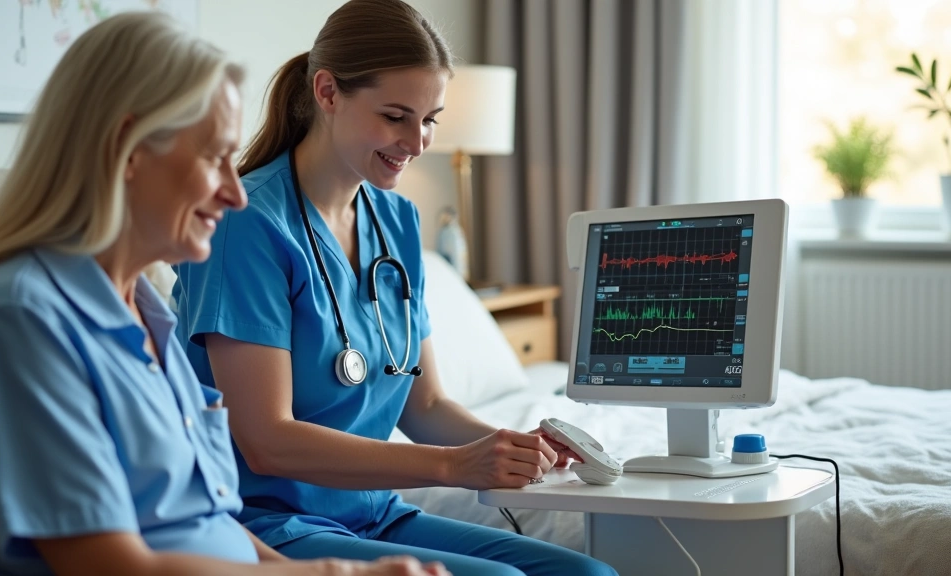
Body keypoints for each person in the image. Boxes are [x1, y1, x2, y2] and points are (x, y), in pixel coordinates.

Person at [0, 12, 447, 576]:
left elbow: (212, 519)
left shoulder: (145, 311)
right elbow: (107, 565)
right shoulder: (21, 320)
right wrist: (331, 573)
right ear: (129, 148)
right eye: (214, 157)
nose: (235, 193)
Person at [172, 2, 617, 575]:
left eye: (430, 118)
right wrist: (454, 467)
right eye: (395, 116)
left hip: (372, 513)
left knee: (588, 573)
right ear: (327, 92)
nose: (418, 141)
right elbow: (266, 441)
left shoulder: (397, 220)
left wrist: (511, 445)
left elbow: (425, 404)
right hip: (268, 524)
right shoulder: (248, 224)